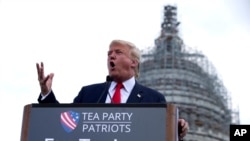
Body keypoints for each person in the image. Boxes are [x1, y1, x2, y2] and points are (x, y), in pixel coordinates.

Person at [36, 39, 189, 139]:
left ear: (133, 62)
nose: (111, 56)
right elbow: (63, 124)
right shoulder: (89, 93)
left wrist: (176, 131)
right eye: (109, 54)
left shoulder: (154, 99)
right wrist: (46, 93)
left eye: (118, 52)